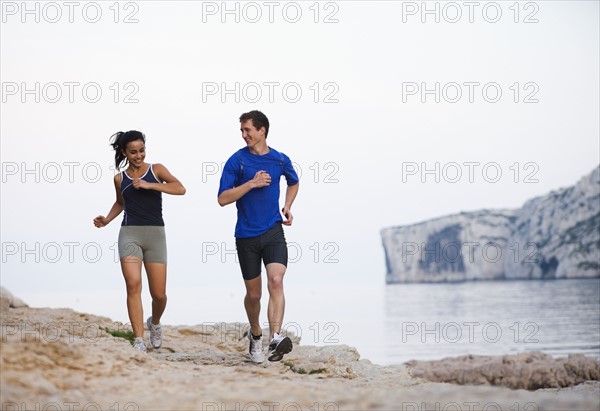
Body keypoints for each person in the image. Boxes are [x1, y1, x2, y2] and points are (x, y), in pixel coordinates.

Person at [218, 110, 300, 363]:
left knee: (276, 281)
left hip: (273, 230)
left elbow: (294, 181)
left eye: (248, 130)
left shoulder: (279, 159)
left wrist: (287, 206)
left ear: (262, 130)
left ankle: (275, 339)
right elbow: (222, 199)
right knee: (253, 295)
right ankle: (255, 334)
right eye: (242, 131)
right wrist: (250, 184)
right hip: (246, 236)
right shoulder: (236, 162)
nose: (244, 135)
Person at [93, 130, 186, 352]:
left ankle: (154, 323)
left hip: (155, 235)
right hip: (129, 233)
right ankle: (138, 339)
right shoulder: (119, 178)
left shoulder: (157, 170)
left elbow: (180, 188)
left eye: (141, 150)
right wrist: (106, 219)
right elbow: (120, 203)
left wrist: (149, 185)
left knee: (159, 295)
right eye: (133, 152)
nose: (138, 155)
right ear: (125, 152)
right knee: (133, 285)